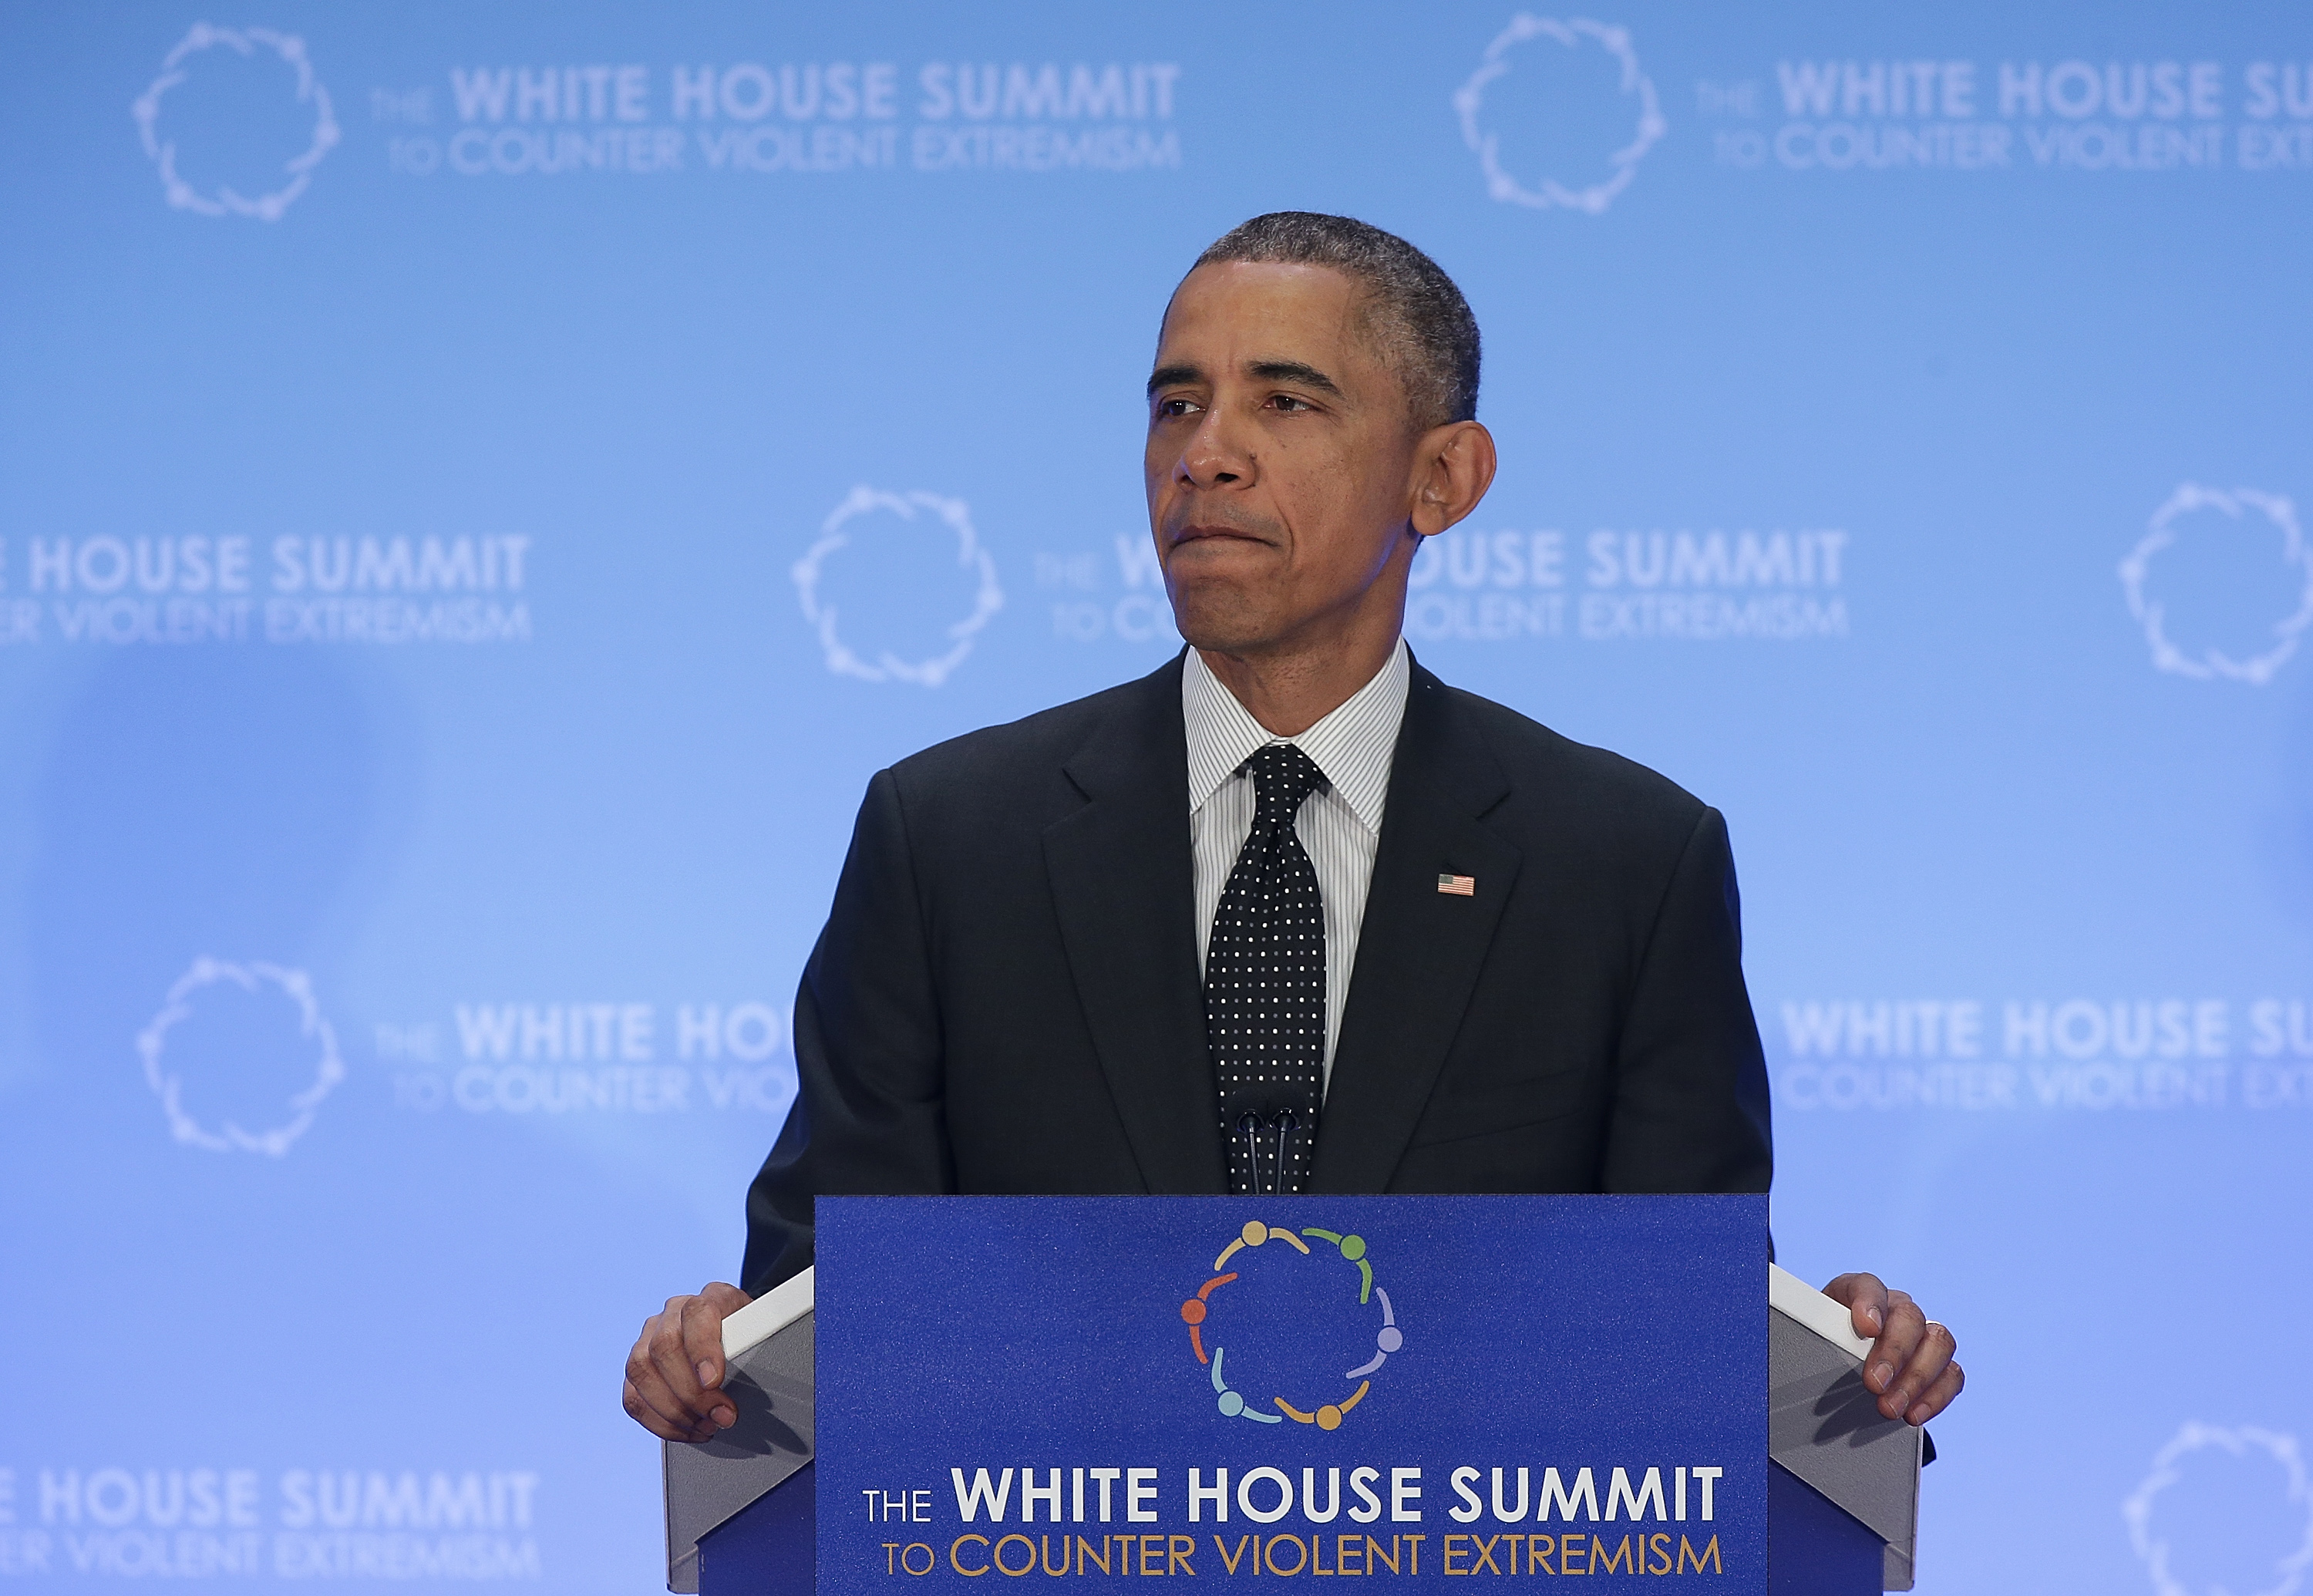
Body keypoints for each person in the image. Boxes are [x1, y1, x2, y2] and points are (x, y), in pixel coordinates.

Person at [622, 213, 1962, 1446]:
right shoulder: (950, 841)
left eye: (1285, 399)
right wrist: (720, 1368)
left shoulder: (1625, 863)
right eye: (1176, 403)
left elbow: (1677, 1336)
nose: (1205, 450)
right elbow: (832, 1305)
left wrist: (1825, 1364)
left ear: (1443, 477)